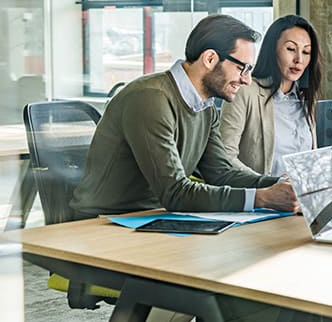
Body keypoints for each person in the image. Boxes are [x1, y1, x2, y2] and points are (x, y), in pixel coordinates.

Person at [71, 14, 298, 218]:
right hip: (103, 223)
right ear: (210, 59)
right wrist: (263, 197)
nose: (247, 80)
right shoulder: (150, 98)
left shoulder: (205, 107)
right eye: (243, 68)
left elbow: (221, 174)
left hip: (153, 218)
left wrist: (283, 184)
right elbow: (175, 192)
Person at [219, 14, 332, 185]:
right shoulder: (245, 91)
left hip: (300, 198)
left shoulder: (305, 97)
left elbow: (307, 164)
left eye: (306, 52)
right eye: (291, 49)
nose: (299, 60)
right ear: (273, 49)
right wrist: (272, 183)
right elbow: (225, 157)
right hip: (262, 199)